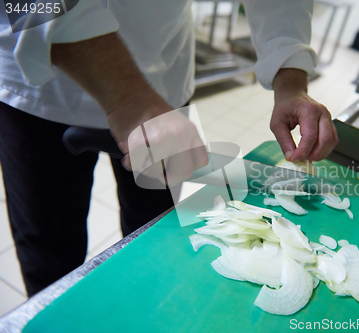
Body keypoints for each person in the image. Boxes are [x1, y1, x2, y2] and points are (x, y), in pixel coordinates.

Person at [0, 0, 338, 297]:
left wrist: (291, 80)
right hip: (38, 88)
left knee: (163, 234)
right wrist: (131, 100)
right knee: (50, 252)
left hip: (162, 73)